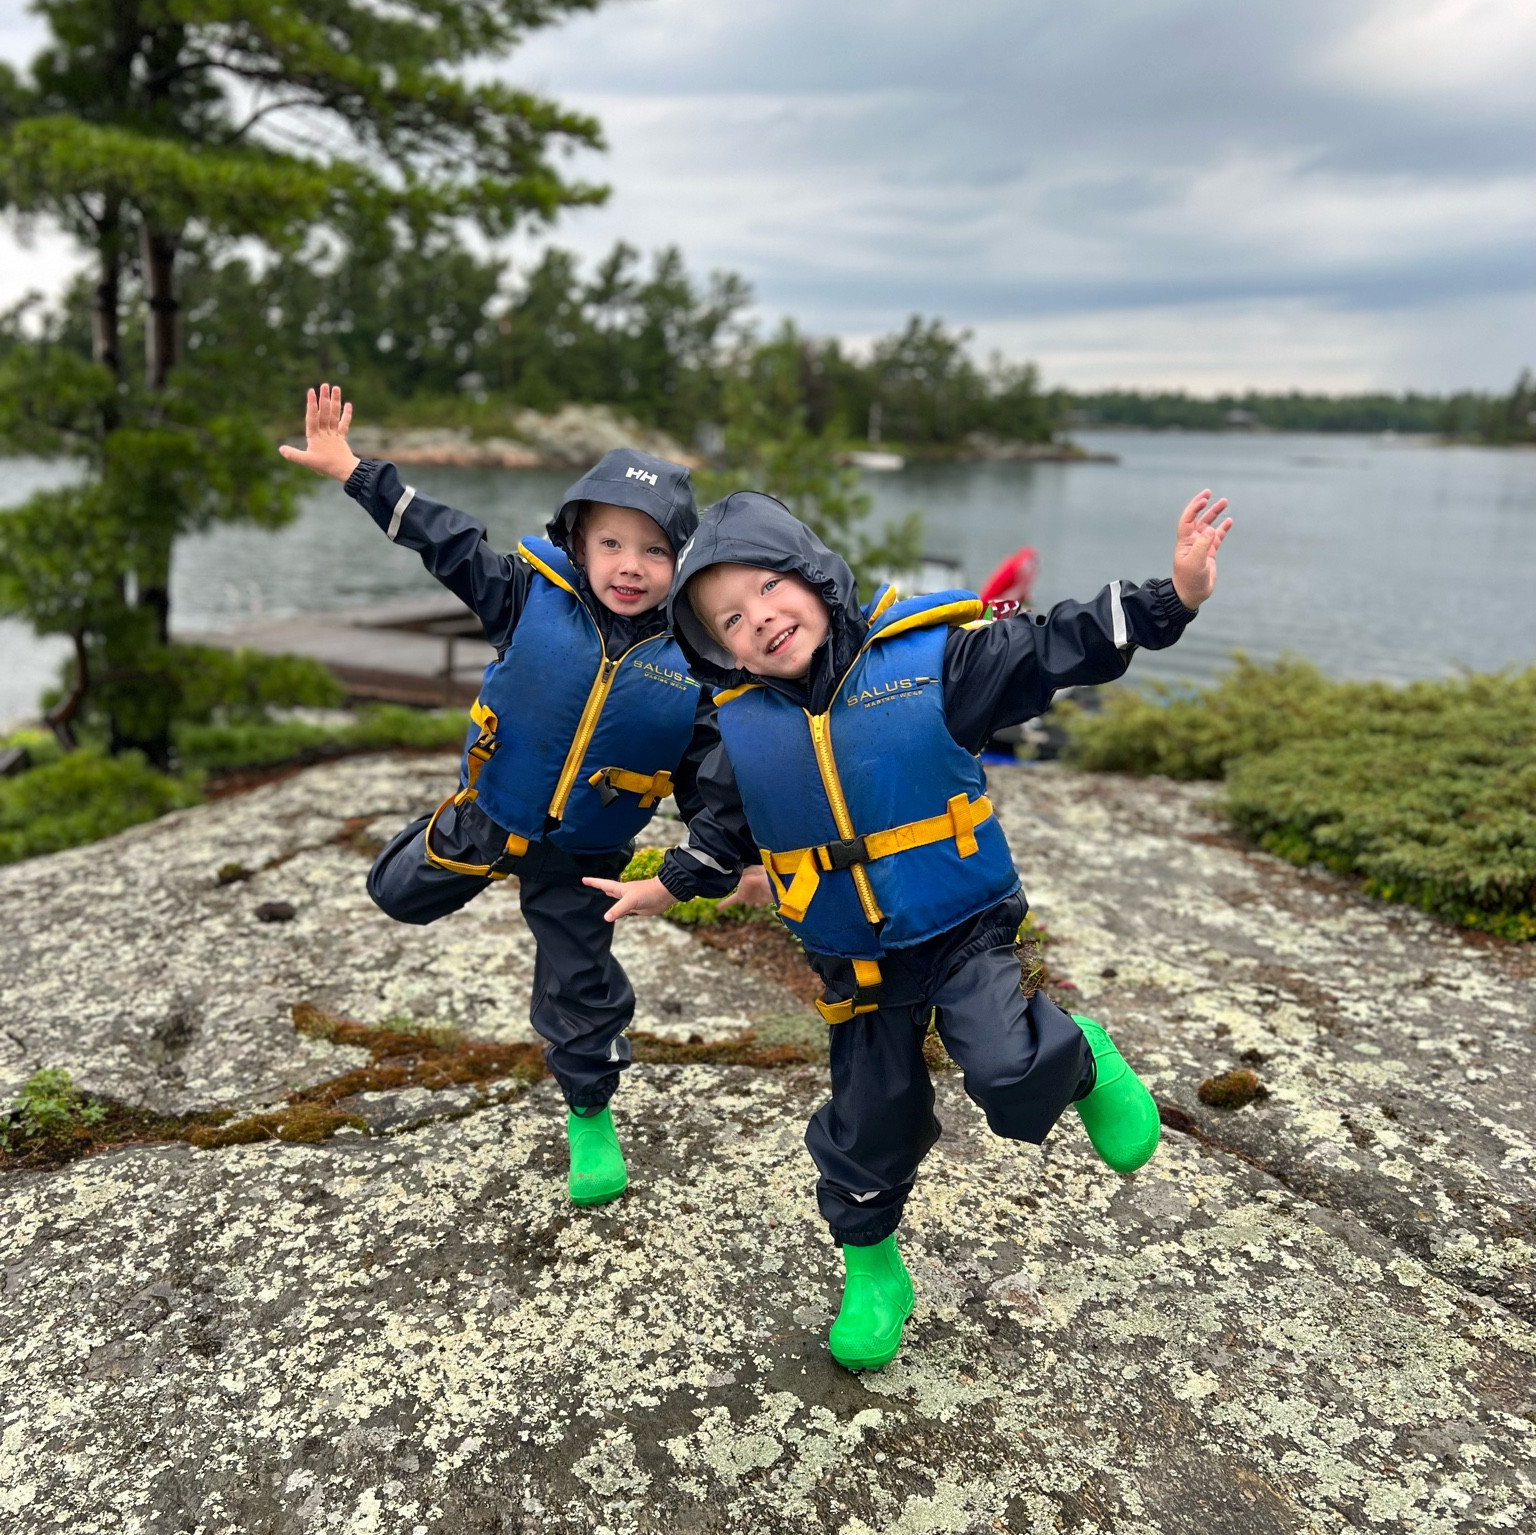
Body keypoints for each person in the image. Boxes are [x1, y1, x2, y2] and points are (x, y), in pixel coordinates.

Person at [585, 486, 1232, 1371]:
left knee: (1007, 1071)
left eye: (770, 588)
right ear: (717, 649)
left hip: (961, 927)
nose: (760, 621)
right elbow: (721, 833)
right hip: (855, 963)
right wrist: (669, 885)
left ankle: (1080, 1057)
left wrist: (1173, 595)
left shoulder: (937, 663)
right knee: (868, 1122)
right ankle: (875, 1270)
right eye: (730, 620)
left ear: (812, 574)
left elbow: (1056, 648)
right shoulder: (741, 731)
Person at [279, 383, 748, 1208]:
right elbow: (446, 540)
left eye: (652, 550)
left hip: (584, 854)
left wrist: (693, 870)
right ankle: (441, 833)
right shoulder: (527, 594)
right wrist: (356, 470)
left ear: (684, 563)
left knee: (581, 987)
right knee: (395, 896)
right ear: (578, 540)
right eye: (610, 543)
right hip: (488, 816)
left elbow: (720, 790)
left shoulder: (698, 665)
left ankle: (590, 1112)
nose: (629, 566)